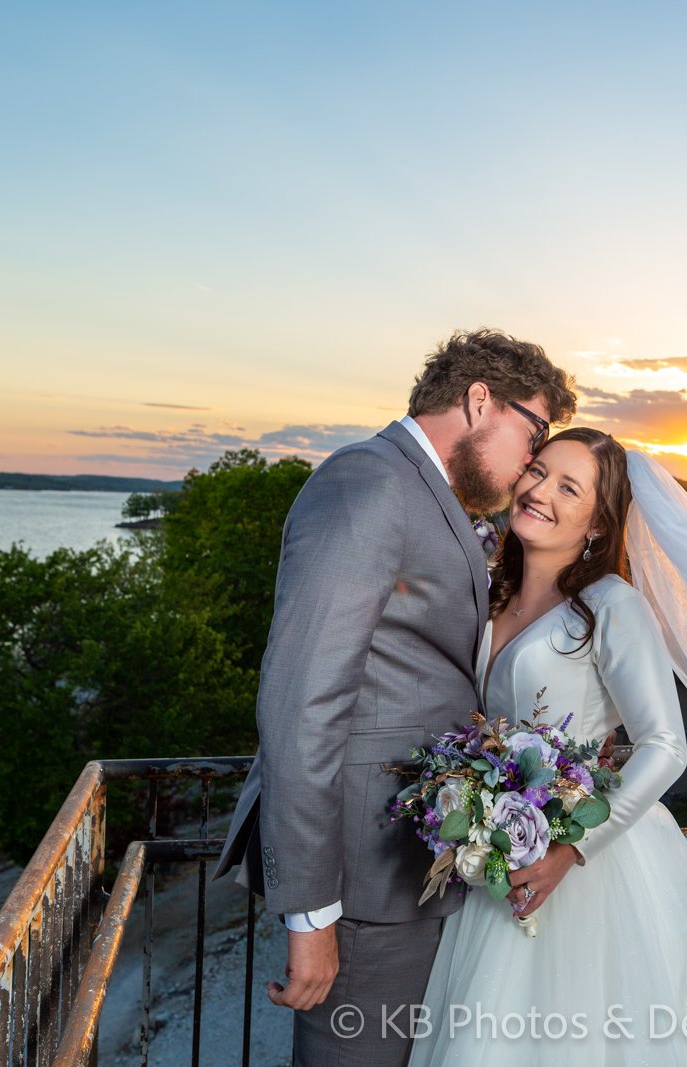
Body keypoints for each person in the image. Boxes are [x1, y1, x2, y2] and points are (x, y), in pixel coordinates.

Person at [408, 428, 687, 1065]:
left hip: (589, 863)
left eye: (569, 487)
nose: (539, 492)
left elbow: (665, 745)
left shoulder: (611, 607)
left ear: (597, 523)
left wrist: (569, 847)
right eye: (537, 472)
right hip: (498, 858)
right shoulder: (490, 594)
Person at [212, 328, 576, 1067]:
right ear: (479, 400)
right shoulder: (369, 481)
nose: (533, 460)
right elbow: (304, 701)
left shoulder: (426, 495)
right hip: (360, 883)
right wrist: (311, 912)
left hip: (413, 864)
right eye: (533, 431)